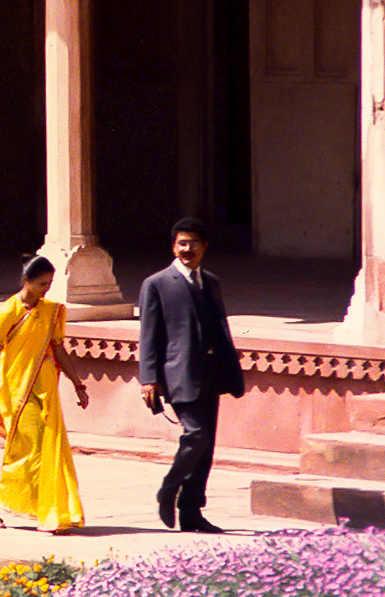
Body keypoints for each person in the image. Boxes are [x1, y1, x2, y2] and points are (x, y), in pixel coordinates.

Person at [138, 217, 245, 533]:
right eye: (182, 243)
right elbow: (148, 335)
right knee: (195, 434)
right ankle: (169, 487)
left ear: (204, 247)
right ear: (174, 246)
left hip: (210, 372)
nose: (188, 249)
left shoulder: (210, 282)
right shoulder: (157, 284)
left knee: (207, 443)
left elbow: (220, 327)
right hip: (178, 373)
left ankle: (191, 511)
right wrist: (149, 378)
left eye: (194, 243)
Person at [0, 255, 90, 533]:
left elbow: (59, 349)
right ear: (26, 280)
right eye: (40, 284)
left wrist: (78, 384)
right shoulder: (8, 311)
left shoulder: (52, 312)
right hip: (17, 394)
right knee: (28, 452)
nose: (45, 290)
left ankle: (50, 511)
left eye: (49, 284)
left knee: (50, 451)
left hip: (46, 390)